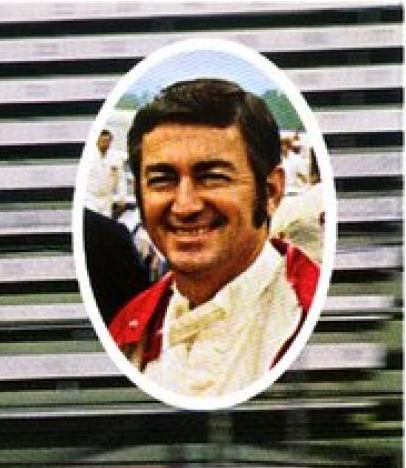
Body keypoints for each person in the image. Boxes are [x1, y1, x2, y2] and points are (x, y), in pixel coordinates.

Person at [108, 78, 320, 399]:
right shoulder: (130, 329)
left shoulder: (308, 315)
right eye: (163, 180)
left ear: (270, 192)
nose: (185, 206)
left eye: (212, 178)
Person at [85, 129, 125, 218]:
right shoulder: (88, 156)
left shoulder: (116, 158)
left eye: (108, 141)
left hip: (107, 199)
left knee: (105, 222)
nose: (105, 143)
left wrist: (121, 198)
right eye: (103, 141)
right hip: (90, 197)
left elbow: (120, 179)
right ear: (97, 141)